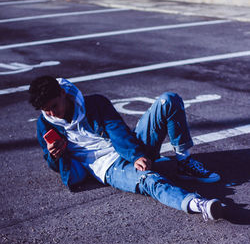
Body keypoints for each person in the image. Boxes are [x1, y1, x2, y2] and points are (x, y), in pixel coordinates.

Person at [28, 76, 223, 221]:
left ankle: (184, 162)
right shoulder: (45, 124)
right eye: (47, 110)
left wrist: (135, 154)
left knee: (168, 100)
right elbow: (54, 164)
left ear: (62, 93)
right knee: (149, 179)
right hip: (107, 167)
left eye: (54, 106)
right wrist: (55, 156)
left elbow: (117, 129)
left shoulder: (95, 103)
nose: (53, 113)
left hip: (127, 148)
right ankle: (198, 205)